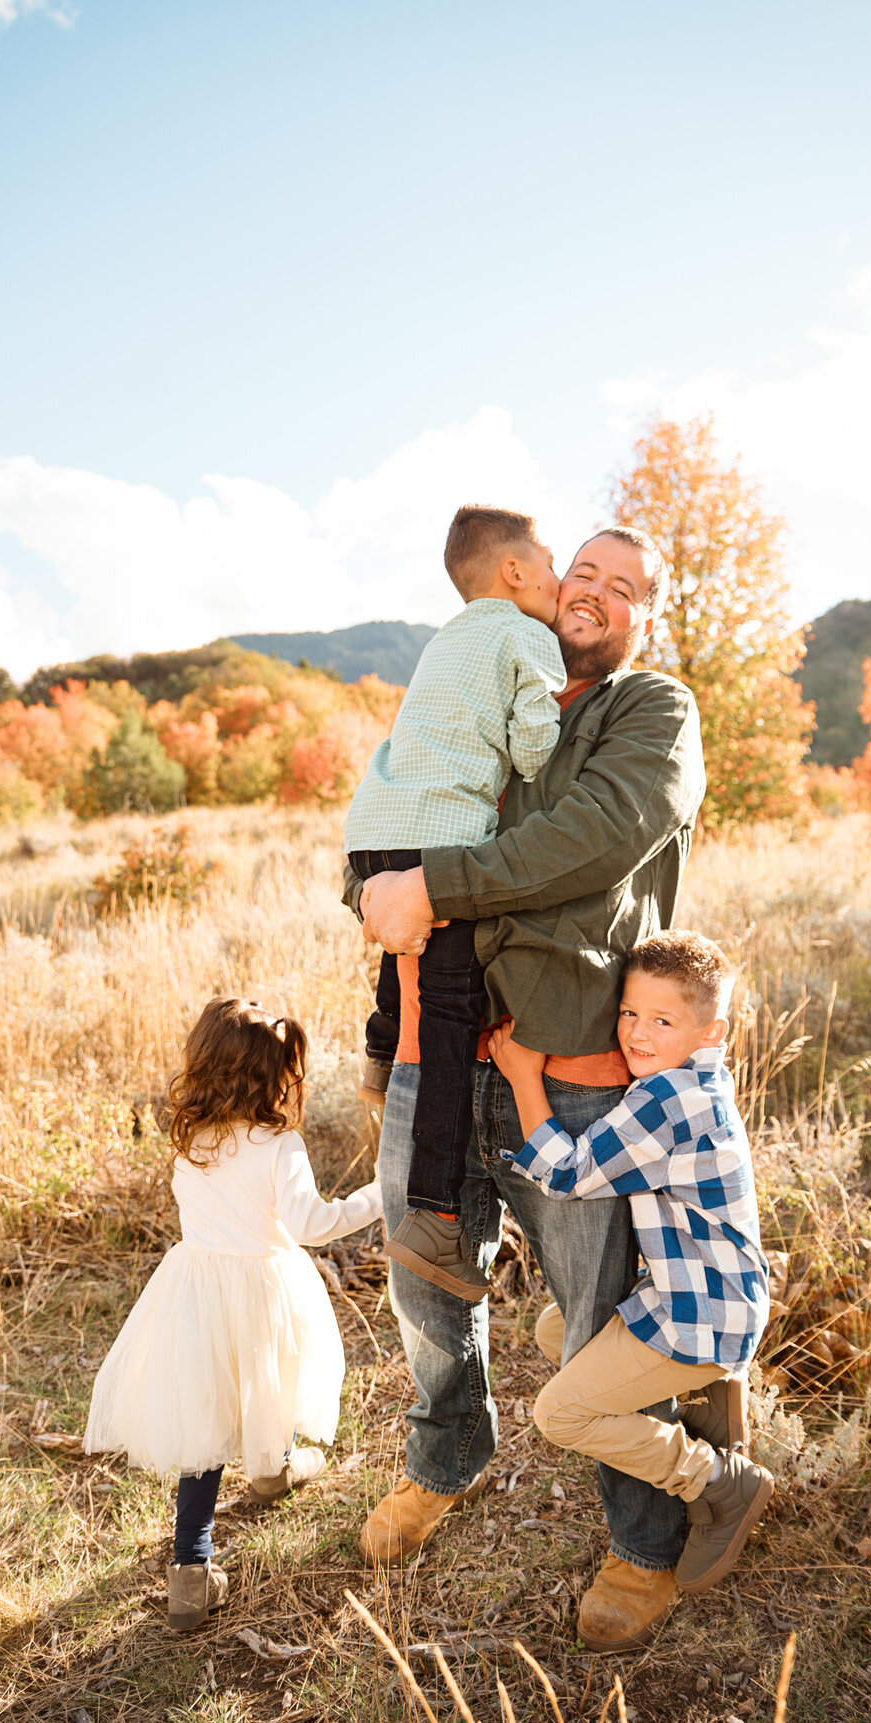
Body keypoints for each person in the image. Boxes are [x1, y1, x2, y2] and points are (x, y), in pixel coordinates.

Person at [350, 527, 710, 1653]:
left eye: (624, 585)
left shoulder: (652, 713)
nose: (594, 592)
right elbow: (393, 819)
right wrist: (378, 887)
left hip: (576, 1064)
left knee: (600, 1305)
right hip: (437, 1043)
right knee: (424, 1274)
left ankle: (646, 1541)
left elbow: (588, 840)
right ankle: (446, 1455)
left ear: (645, 613)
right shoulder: (488, 677)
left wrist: (436, 884)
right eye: (582, 573)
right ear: (546, 588)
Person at [487, 930, 772, 1602]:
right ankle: (708, 1404)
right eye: (629, 1014)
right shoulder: (694, 1080)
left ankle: (716, 1480)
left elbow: (566, 1172)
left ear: (712, 1031)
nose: (638, 1035)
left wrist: (524, 1077)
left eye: (663, 1021)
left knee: (560, 1415)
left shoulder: (669, 1100)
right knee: (560, 1333)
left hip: (700, 1315)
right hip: (695, 1296)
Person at [83, 997, 382, 1632]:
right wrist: (379, 1197)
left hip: (196, 1288)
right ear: (267, 1077)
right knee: (266, 1381)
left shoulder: (191, 1135)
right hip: (266, 1286)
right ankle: (269, 1475)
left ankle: (193, 1564)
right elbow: (310, 1225)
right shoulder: (278, 1144)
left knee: (208, 1413)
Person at [345, 505, 566, 1304]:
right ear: (515, 572)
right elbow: (536, 749)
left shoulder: (447, 637)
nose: (558, 576)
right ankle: (436, 1218)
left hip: (373, 834)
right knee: (448, 1013)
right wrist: (546, 718)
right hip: (437, 843)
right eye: (550, 561)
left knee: (397, 954)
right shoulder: (526, 635)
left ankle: (377, 1053)